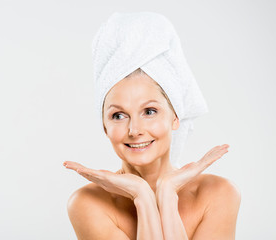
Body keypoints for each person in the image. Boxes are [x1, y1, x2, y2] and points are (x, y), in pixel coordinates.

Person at [63, 12, 241, 240]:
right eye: (118, 115)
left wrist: (167, 195)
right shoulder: (87, 203)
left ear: (175, 117)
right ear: (105, 126)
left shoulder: (219, 195)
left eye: (149, 111)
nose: (134, 130)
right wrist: (143, 197)